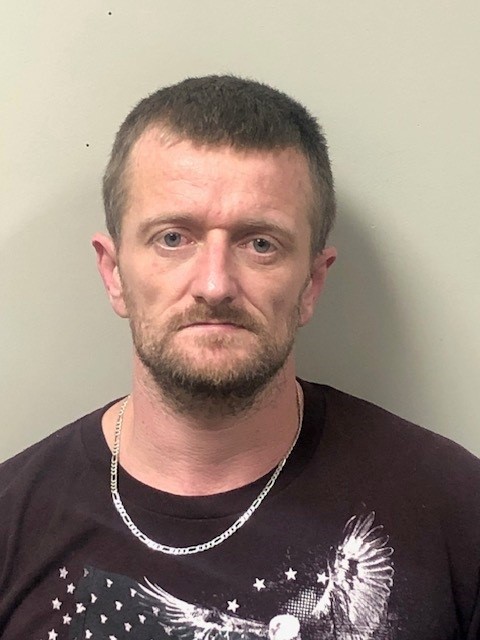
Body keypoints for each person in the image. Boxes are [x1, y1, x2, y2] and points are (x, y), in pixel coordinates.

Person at [1, 75, 479, 640]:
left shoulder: (455, 507)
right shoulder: (12, 521)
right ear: (114, 274)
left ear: (311, 284)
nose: (215, 285)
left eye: (260, 244)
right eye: (173, 238)